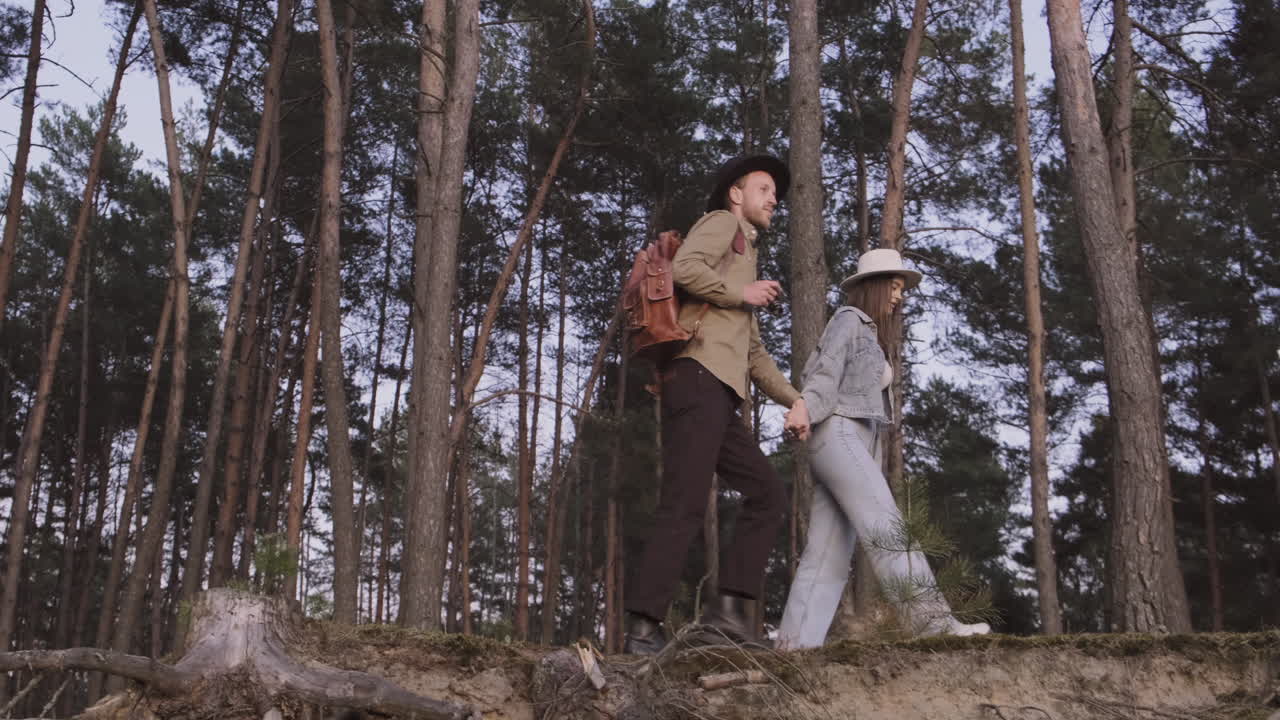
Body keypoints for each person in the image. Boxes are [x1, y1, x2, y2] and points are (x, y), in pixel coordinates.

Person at [624, 155, 810, 655]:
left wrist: (797, 400)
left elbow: (753, 354)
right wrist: (740, 291)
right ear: (736, 193)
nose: (774, 199)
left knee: (767, 494)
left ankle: (731, 616)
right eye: (765, 188)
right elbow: (684, 268)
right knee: (683, 503)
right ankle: (643, 627)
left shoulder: (745, 259)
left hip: (720, 394)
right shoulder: (722, 223)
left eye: (776, 193)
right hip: (695, 378)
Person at [776, 248, 991, 649]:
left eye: (902, 289)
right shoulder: (849, 319)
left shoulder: (872, 334)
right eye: (894, 286)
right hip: (838, 432)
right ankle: (933, 625)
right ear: (873, 286)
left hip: (848, 440)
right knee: (886, 526)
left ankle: (794, 648)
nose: (900, 295)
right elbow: (824, 369)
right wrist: (804, 407)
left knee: (828, 552)